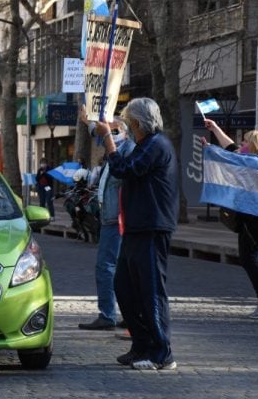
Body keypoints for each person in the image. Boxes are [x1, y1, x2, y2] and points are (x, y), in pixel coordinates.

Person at [94, 97, 178, 371]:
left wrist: (107, 138)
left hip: (151, 228)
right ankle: (141, 345)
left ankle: (161, 353)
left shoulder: (156, 145)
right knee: (125, 287)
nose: (127, 129)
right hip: (135, 227)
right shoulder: (145, 145)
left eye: (129, 124)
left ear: (139, 123)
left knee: (151, 291)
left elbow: (123, 170)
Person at [203, 118, 258, 319]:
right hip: (249, 219)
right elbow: (231, 147)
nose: (242, 145)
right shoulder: (251, 161)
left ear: (255, 146)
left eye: (246, 142)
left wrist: (214, 152)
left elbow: (231, 155)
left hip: (255, 221)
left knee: (248, 258)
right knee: (247, 258)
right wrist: (216, 129)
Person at [77, 106, 136, 330]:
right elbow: (100, 135)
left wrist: (96, 127)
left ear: (121, 129)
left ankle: (108, 314)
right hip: (111, 216)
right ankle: (124, 313)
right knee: (118, 268)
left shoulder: (126, 149)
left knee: (106, 266)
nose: (105, 131)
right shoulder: (119, 144)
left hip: (117, 218)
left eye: (111, 127)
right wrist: (87, 122)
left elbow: (119, 165)